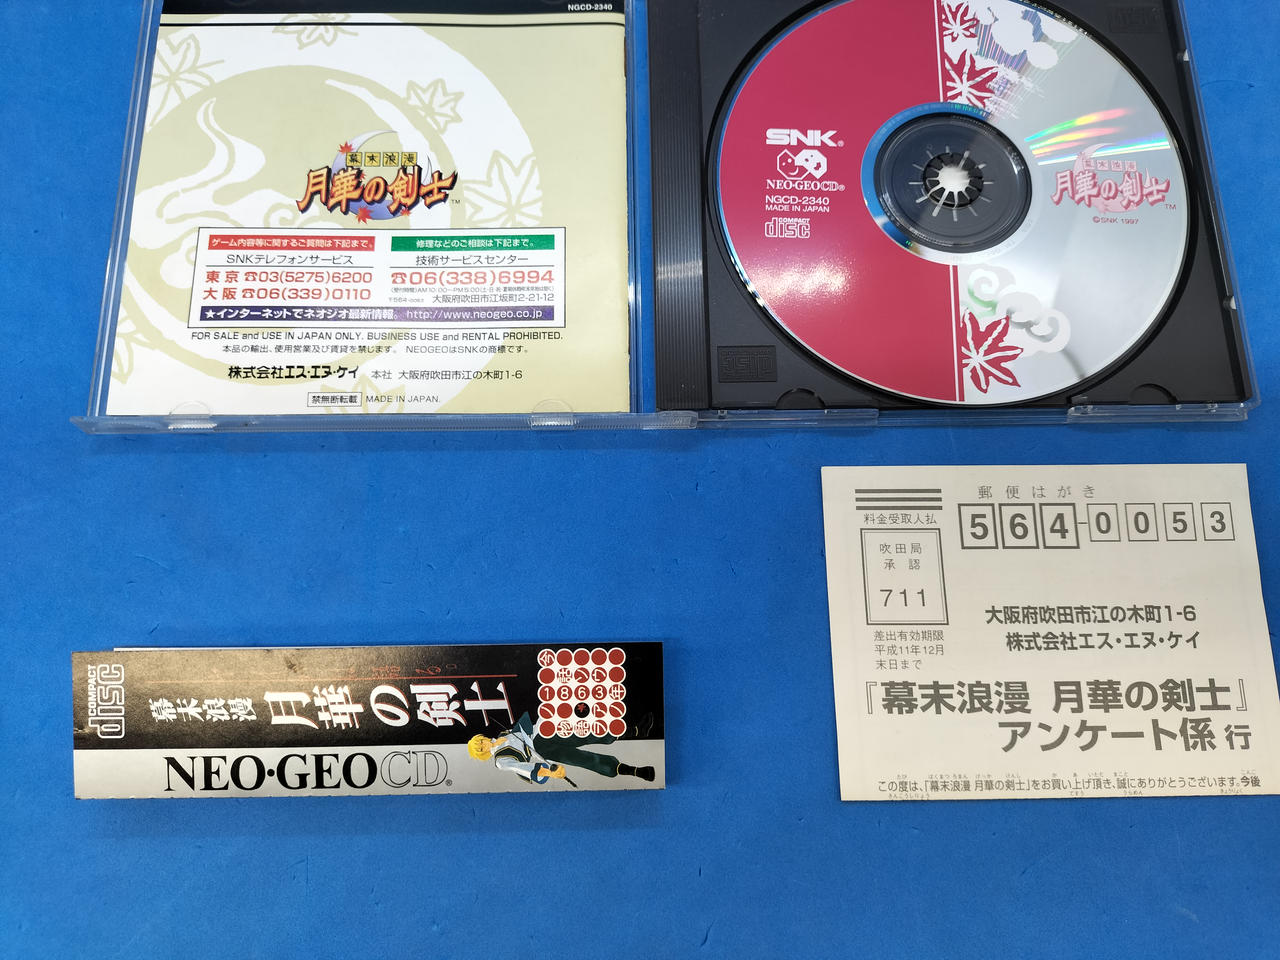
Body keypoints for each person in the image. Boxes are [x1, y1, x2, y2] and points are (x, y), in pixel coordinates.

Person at [467, 711, 655, 785]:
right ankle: (637, 771)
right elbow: (522, 768)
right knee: (585, 759)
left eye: (480, 742)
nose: (483, 745)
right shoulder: (500, 761)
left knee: (585, 732)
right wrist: (550, 773)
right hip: (542, 750)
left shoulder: (503, 734)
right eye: (480, 749)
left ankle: (636, 731)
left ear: (482, 737)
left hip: (543, 733)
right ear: (483, 754)